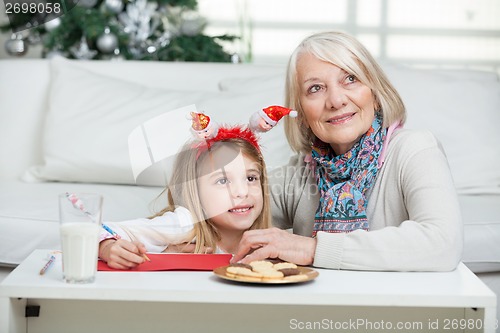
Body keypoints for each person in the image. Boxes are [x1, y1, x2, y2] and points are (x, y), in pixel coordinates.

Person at [232, 31, 463, 271]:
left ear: (375, 93)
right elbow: (220, 213)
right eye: (315, 88)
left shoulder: (415, 149)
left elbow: (443, 243)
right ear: (300, 112)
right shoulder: (300, 172)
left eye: (350, 78)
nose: (335, 100)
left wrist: (311, 249)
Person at [99, 122, 272, 269]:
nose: (242, 192)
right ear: (194, 192)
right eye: (222, 181)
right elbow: (97, 231)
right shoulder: (183, 224)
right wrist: (107, 247)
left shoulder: (266, 240)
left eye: (251, 178)